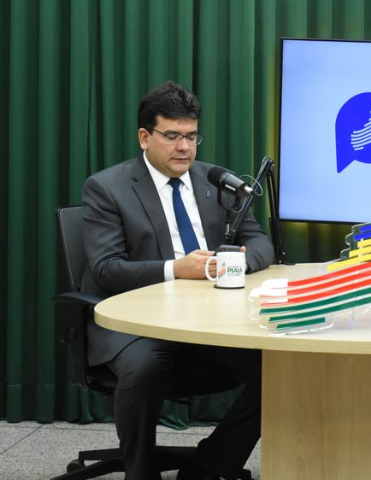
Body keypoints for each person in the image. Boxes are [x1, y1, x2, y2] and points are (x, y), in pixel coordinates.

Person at [81, 81, 275, 480]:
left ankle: (210, 466)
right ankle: (139, 473)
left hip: (210, 321)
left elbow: (259, 243)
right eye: (171, 136)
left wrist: (236, 262)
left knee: (281, 370)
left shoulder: (216, 183)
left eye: (191, 137)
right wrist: (175, 268)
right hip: (138, 325)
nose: (184, 147)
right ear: (144, 137)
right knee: (147, 366)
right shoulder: (107, 188)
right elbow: (106, 270)